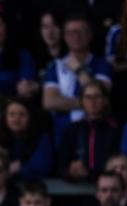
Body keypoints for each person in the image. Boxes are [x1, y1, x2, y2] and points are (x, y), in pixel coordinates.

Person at [42, 13, 112, 147]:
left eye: (80, 31)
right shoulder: (56, 66)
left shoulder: (102, 64)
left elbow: (99, 97)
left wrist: (79, 71)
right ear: (64, 37)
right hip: (63, 134)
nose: (75, 36)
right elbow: (49, 102)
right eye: (70, 32)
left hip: (95, 133)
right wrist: (88, 103)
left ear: (90, 35)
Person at [58, 80, 122, 182]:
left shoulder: (116, 128)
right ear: (82, 101)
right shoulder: (72, 129)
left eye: (97, 96)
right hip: (78, 189)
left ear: (105, 100)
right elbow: (62, 164)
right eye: (87, 97)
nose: (92, 101)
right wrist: (70, 171)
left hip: (109, 186)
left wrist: (92, 174)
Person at [0, 98, 54, 179]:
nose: (16, 119)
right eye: (11, 114)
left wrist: (20, 169)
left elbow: (41, 168)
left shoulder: (41, 138)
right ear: (5, 117)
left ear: (30, 117)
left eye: (22, 114)